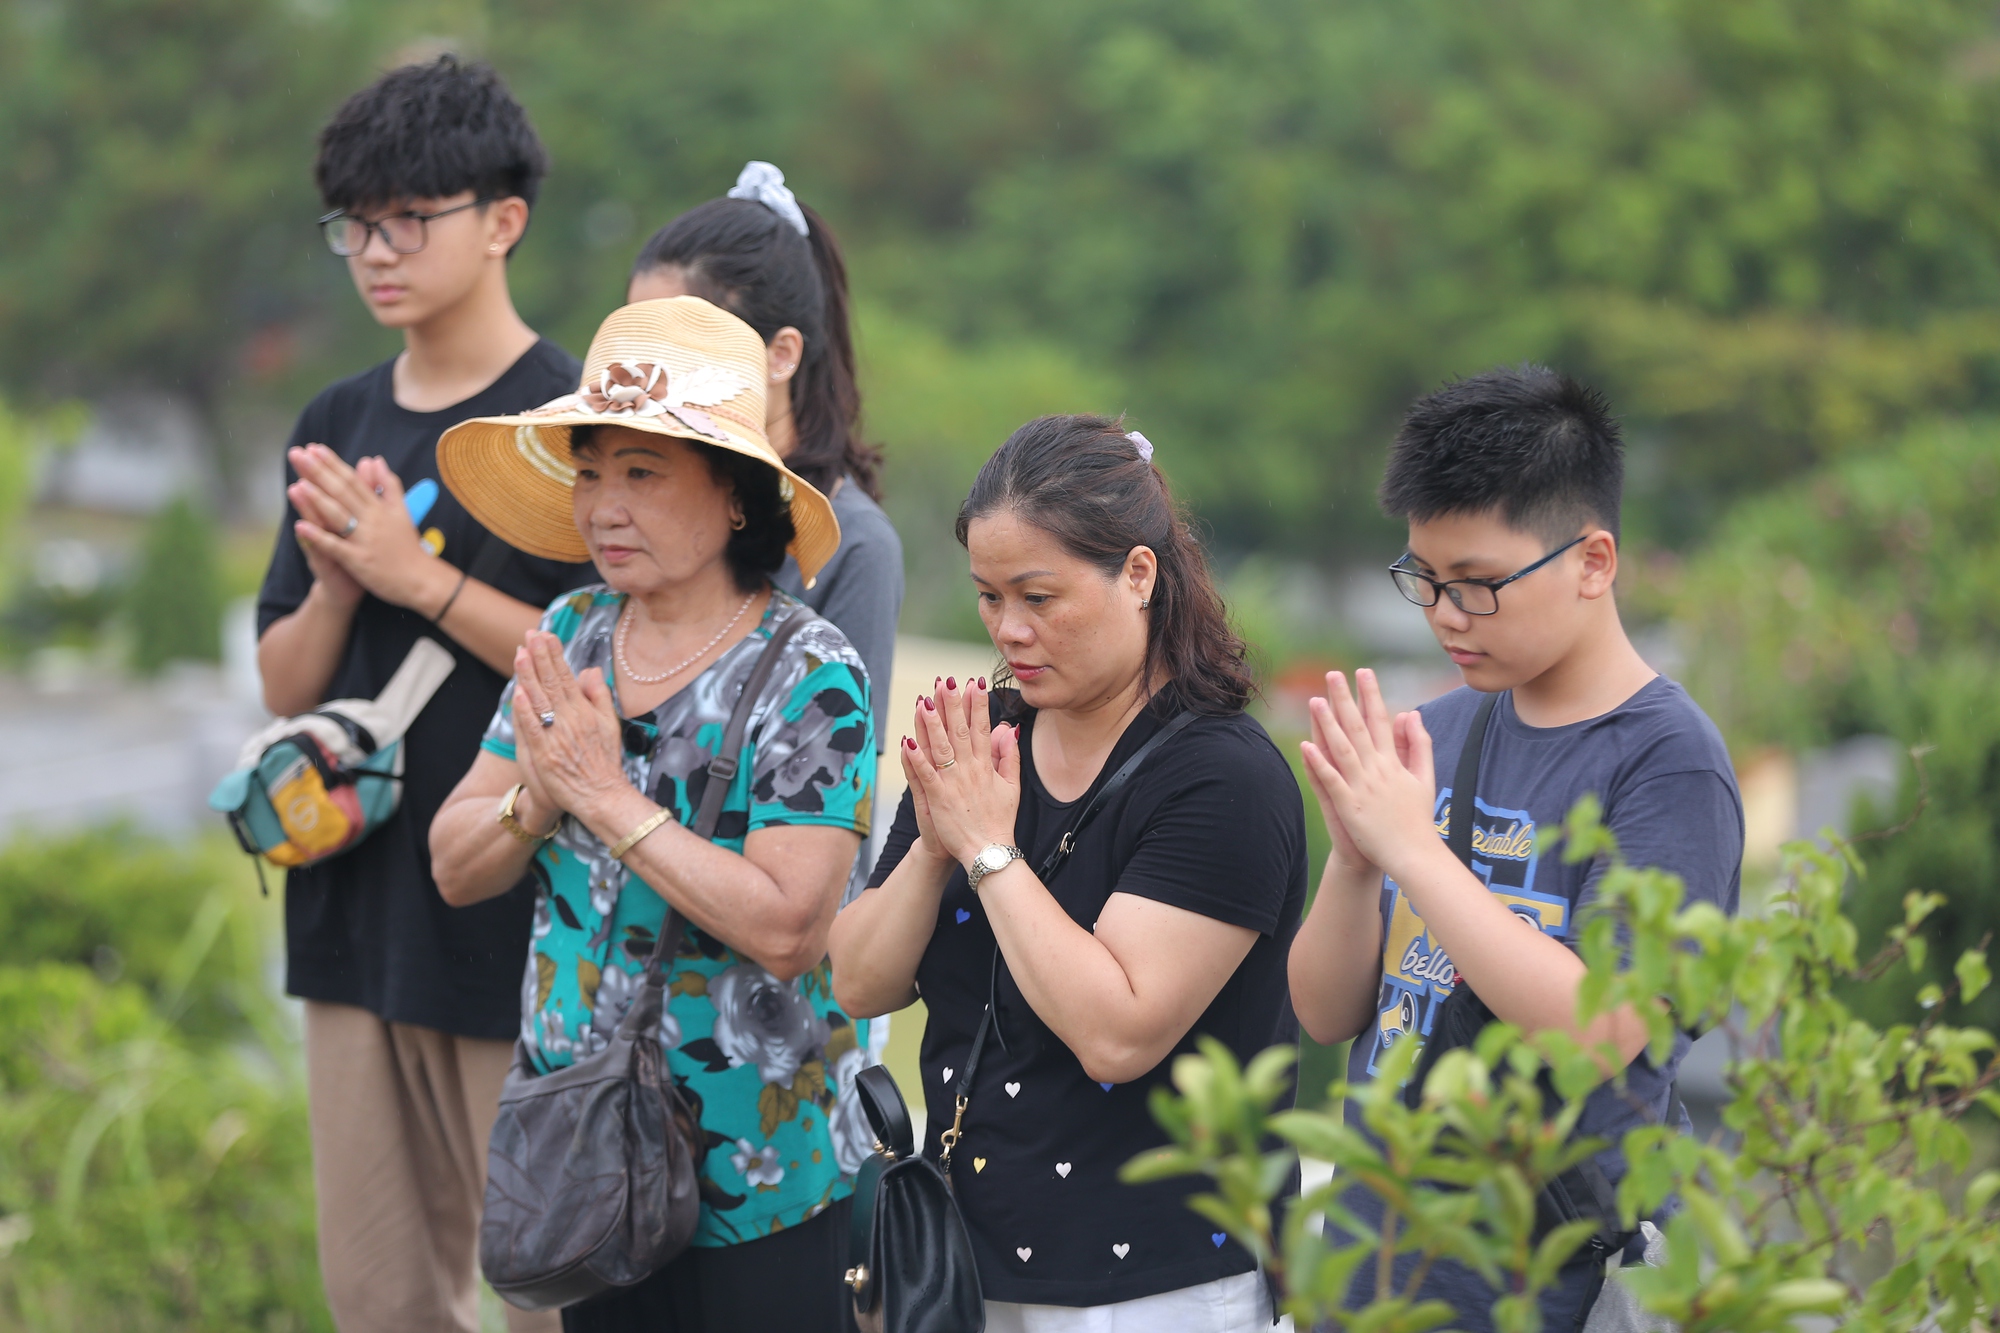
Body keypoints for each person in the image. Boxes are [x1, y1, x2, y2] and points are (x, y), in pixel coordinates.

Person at [428, 296, 877, 1333]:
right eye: (589, 473)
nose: (601, 507)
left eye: (641, 473)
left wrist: (604, 798)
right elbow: (455, 863)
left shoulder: (810, 673)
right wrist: (536, 797)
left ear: (732, 496)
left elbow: (788, 926)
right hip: (582, 1157)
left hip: (758, 1178)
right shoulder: (572, 632)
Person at [1286, 366, 1744, 1331]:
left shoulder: (1668, 764)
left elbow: (1606, 1030)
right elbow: (1327, 1012)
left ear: (1593, 560)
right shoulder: (1441, 730)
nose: (1447, 614)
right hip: (1369, 1281)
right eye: (1426, 579)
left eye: (1480, 584)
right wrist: (1356, 857)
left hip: (1536, 1294)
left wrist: (1413, 850)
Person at [830, 415, 1306, 1333]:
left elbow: (1117, 1034)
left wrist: (987, 849)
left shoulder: (1223, 776)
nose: (1010, 629)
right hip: (960, 1266)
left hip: (1153, 1289)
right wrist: (936, 845)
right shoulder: (985, 743)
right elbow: (857, 979)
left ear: (1139, 573)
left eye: (1039, 596)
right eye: (988, 597)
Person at [253, 55, 589, 1333]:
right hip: (348, 907)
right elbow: (285, 676)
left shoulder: (568, 424)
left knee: (544, 1290)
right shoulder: (338, 416)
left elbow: (599, 662)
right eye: (355, 225)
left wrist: (416, 575)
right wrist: (344, 587)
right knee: (380, 1297)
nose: (376, 252)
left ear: (503, 220)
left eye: (409, 219)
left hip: (512, 923)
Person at [628, 161, 902, 906]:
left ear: (781, 354)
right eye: (637, 338)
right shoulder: (626, 493)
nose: (648, 373)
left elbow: (833, 794)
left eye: (681, 344)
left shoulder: (856, 544)